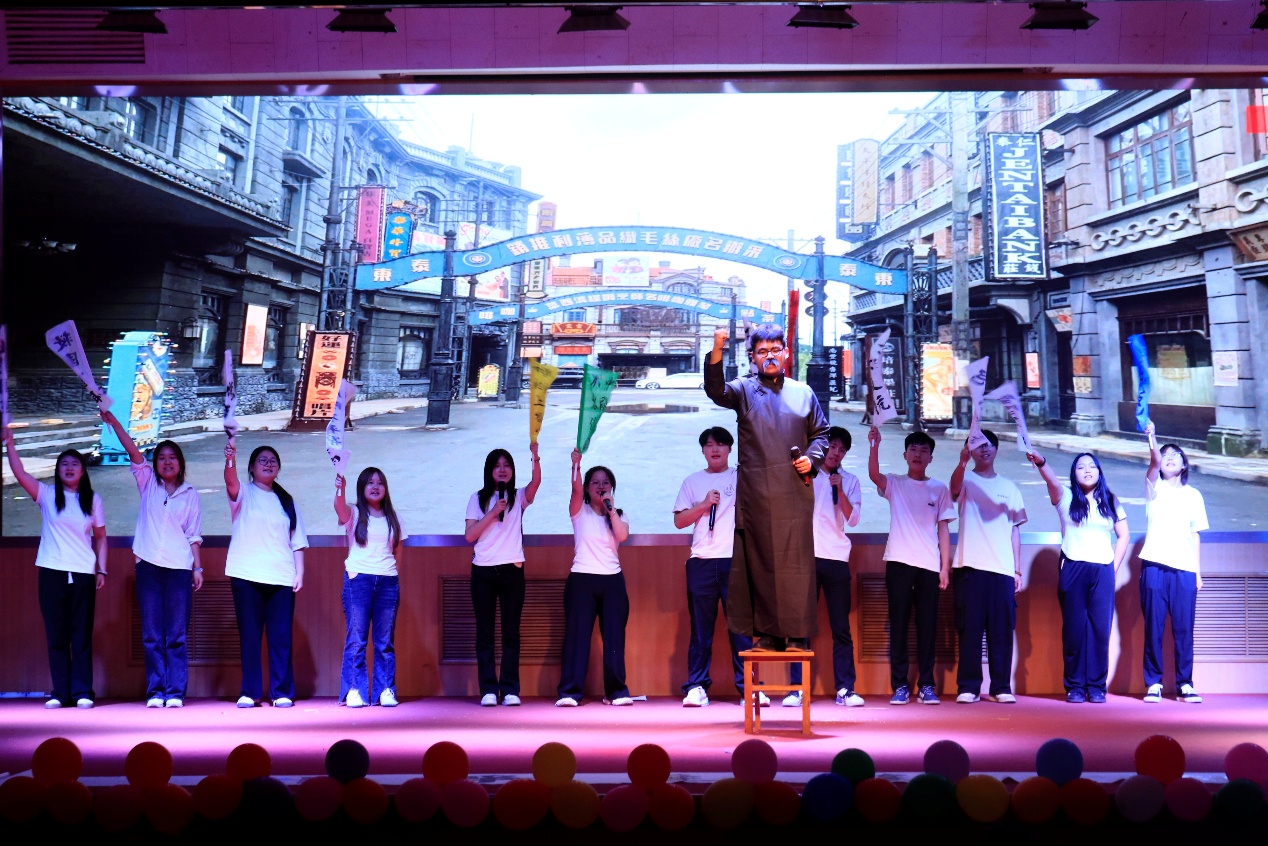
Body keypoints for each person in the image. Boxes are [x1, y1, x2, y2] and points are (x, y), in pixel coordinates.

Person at [703, 324, 829, 652]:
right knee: (760, 564)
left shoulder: (804, 392)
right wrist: (717, 346)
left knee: (797, 565)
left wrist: (812, 459)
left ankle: (798, 635)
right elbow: (715, 390)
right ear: (752, 357)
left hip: (794, 492)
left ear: (786, 353)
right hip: (756, 494)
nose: (769, 356)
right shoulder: (744, 389)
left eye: (775, 349)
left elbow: (821, 434)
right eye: (762, 351)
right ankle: (769, 634)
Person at [101, 410, 203, 709]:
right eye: (162, 458)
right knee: (151, 634)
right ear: (155, 464)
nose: (167, 462)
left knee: (177, 634)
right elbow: (132, 451)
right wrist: (114, 422)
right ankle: (156, 691)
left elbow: (193, 534)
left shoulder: (190, 494)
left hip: (179, 568)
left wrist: (197, 567)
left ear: (180, 463)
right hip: (148, 566)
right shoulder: (147, 483)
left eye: (172, 458)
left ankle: (176, 692)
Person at [4, 431, 106, 709]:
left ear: (83, 470)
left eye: (75, 464)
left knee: (81, 635)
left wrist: (102, 570)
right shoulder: (46, 495)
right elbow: (19, 472)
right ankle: (61, 693)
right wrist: (10, 443)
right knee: (57, 635)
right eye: (64, 464)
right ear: (58, 470)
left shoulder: (93, 499)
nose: (69, 468)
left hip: (83, 573)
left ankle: (83, 692)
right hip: (51, 572)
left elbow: (100, 537)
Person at [673, 426, 767, 708]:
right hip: (701, 562)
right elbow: (679, 521)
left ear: (730, 449)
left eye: (721, 444)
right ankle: (697, 687)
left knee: (741, 630)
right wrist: (704, 504)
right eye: (709, 445)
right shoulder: (692, 482)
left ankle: (750, 689)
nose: (715, 449)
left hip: (734, 562)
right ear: (703, 450)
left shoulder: (741, 477)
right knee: (701, 630)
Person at [1028, 449, 1128, 704]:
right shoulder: (1066, 496)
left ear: (1099, 472)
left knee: (1100, 631)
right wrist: (1041, 462)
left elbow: (1124, 535)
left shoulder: (1110, 500)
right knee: (1074, 631)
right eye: (1081, 467)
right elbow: (1051, 480)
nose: (1087, 470)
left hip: (1103, 569)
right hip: (1073, 567)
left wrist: (1113, 568)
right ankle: (1074, 686)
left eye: (1092, 466)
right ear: (1073, 473)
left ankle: (1096, 686)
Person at [868, 427, 955, 706]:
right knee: (899, 625)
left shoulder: (939, 489)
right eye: (913, 450)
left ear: (931, 457)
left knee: (928, 627)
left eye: (923, 451)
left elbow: (944, 529)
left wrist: (944, 567)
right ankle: (900, 686)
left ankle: (927, 684)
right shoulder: (895, 483)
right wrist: (874, 445)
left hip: (929, 566)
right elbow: (874, 475)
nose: (918, 454)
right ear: (905, 455)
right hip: (899, 563)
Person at [784, 426, 864, 708]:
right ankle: (796, 689)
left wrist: (839, 488)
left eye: (842, 449)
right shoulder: (806, 473)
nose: (836, 453)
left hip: (836, 558)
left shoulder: (850, 481)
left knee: (841, 628)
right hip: (804, 558)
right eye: (832, 447)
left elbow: (853, 519)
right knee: (799, 628)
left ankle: (845, 689)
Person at [224, 442, 309, 708]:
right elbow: (230, 480)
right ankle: (250, 692)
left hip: (281, 576)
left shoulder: (287, 500)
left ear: (278, 468)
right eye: (262, 460)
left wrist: (300, 572)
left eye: (273, 460)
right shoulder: (243, 493)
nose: (268, 463)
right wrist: (230, 458)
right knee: (250, 636)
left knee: (281, 637)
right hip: (246, 574)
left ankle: (281, 691)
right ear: (251, 467)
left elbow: (297, 541)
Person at [949, 430, 1027, 704]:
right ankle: (969, 687)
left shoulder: (1010, 487)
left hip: (1002, 569)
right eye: (978, 445)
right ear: (970, 450)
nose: (984, 449)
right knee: (970, 629)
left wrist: (1017, 569)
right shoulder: (966, 479)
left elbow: (1015, 530)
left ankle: (1001, 687)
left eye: (989, 445)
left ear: (996, 450)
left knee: (1001, 631)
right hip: (969, 565)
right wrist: (961, 462)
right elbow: (954, 490)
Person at [464, 444, 542, 707]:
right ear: (489, 471)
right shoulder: (477, 498)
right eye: (497, 466)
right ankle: (488, 689)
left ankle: (509, 689)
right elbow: (470, 535)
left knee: (511, 633)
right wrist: (493, 512)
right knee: (485, 634)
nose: (502, 470)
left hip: (512, 571)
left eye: (507, 465)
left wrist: (535, 456)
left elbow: (536, 483)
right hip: (483, 571)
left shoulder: (518, 497)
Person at [556, 449, 632, 707]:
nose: (601, 486)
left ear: (612, 488)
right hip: (582, 579)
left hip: (612, 580)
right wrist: (576, 466)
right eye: (595, 483)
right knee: (577, 638)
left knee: (614, 638)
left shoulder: (618, 514)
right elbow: (575, 490)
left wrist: (611, 511)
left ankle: (616, 692)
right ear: (588, 488)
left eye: (606, 483)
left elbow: (622, 536)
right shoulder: (580, 511)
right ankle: (570, 692)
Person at [1140, 422, 1207, 704]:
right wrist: (1152, 438)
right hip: (1154, 565)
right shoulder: (1154, 488)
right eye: (1165, 455)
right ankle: (1153, 683)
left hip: (1185, 570)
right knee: (1153, 628)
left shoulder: (1194, 495)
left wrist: (1197, 573)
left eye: (1175, 455)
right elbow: (1154, 462)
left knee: (1184, 629)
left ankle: (1185, 683)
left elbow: (1195, 535)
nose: (1169, 458)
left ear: (1184, 464)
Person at [334, 466, 407, 708]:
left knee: (384, 641)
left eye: (380, 483)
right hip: (359, 580)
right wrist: (340, 488)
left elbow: (398, 553)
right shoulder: (354, 513)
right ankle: (354, 690)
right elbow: (339, 507)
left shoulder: (395, 518)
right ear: (362, 487)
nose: (375, 487)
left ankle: (385, 689)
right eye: (370, 483)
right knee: (357, 638)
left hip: (387, 581)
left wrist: (390, 575)